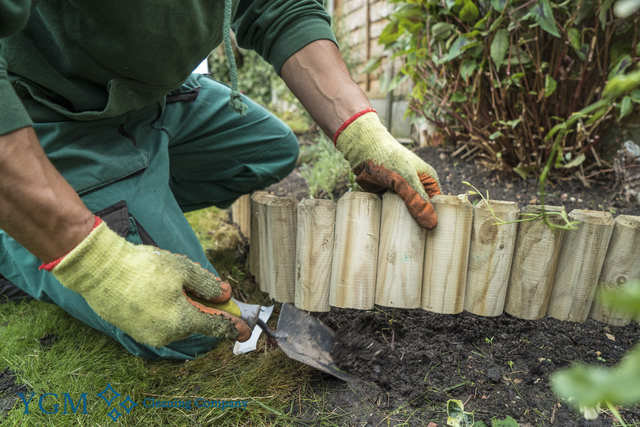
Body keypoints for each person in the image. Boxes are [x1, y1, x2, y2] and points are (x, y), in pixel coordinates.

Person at [0, 0, 441, 360]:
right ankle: (17, 233)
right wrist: (96, 263)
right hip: (54, 115)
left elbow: (279, 5)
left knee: (270, 151)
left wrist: (364, 134)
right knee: (185, 331)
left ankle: (128, 194)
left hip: (153, 100)